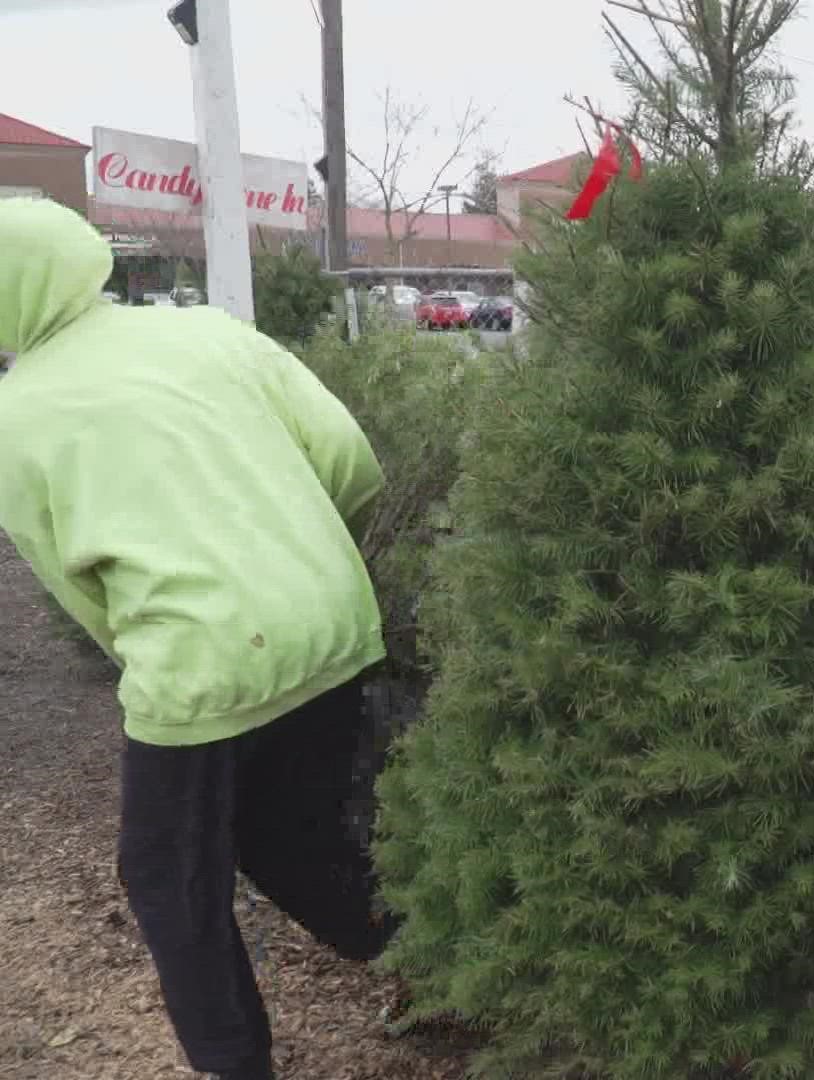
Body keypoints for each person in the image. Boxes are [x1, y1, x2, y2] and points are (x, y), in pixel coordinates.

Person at [0, 198, 394, 1080]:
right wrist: (305, 574)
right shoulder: (209, 333)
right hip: (335, 620)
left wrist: (156, 656)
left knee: (167, 874)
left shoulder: (14, 416)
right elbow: (350, 458)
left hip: (204, 666)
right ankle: (423, 949)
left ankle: (233, 1063)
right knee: (291, 829)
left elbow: (79, 588)